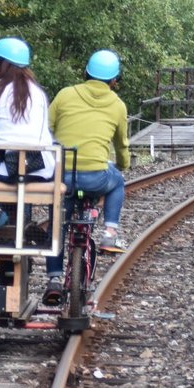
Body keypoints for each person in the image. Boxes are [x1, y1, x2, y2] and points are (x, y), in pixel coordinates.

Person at [45, 49, 131, 303]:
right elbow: (122, 145)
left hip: (64, 178)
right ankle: (110, 234)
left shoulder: (65, 95)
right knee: (118, 182)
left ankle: (53, 278)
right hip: (96, 178)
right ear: (114, 80)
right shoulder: (117, 105)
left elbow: (46, 128)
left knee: (57, 226)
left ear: (86, 73)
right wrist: (123, 165)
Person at [0, 37, 56, 183]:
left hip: (2, 169)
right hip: (37, 168)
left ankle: (3, 206)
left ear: (2, 62)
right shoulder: (38, 92)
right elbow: (43, 134)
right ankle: (20, 207)